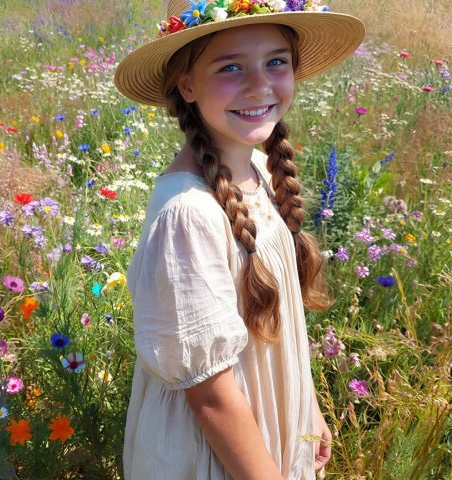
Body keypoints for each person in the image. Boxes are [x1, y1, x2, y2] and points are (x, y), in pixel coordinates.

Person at [114, 1, 364, 479]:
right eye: (230, 67)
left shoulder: (255, 175)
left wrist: (306, 406)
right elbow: (209, 393)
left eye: (276, 61)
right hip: (218, 452)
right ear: (186, 84)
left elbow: (277, 319)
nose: (259, 84)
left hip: (264, 426)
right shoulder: (187, 212)